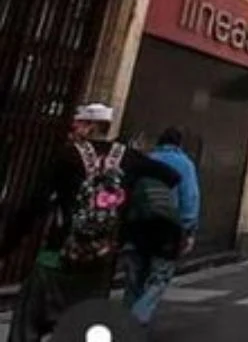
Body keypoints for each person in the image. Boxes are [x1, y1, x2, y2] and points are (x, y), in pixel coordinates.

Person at [1, 102, 181, 342]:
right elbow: (171, 176)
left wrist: (6, 248)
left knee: (27, 323)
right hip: (100, 261)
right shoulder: (128, 158)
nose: (73, 129)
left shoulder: (67, 156)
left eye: (78, 123)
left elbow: (33, 207)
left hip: (57, 257)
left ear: (91, 126)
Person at [121, 126, 201, 325]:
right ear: (179, 144)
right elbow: (190, 198)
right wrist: (189, 229)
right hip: (167, 229)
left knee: (133, 278)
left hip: (137, 225)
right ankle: (137, 318)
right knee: (159, 277)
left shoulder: (146, 159)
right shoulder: (185, 164)